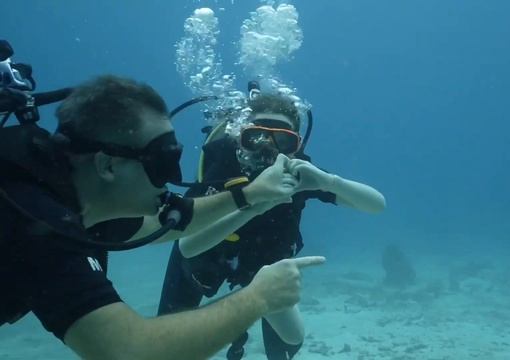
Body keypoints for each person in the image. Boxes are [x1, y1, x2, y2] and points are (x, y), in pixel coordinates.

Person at [0, 75, 325, 359]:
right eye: (161, 161)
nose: (171, 176)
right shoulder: (35, 222)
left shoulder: (84, 199)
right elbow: (128, 351)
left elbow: (164, 222)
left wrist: (249, 195)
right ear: (108, 165)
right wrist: (257, 298)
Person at [158, 90, 386, 359]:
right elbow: (187, 247)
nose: (268, 148)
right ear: (241, 137)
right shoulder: (225, 166)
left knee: (289, 343)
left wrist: (328, 181)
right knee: (166, 347)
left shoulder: (298, 174)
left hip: (265, 265)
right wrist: (256, 203)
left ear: (297, 145)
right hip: (204, 259)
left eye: (283, 139)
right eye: (256, 136)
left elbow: (376, 204)